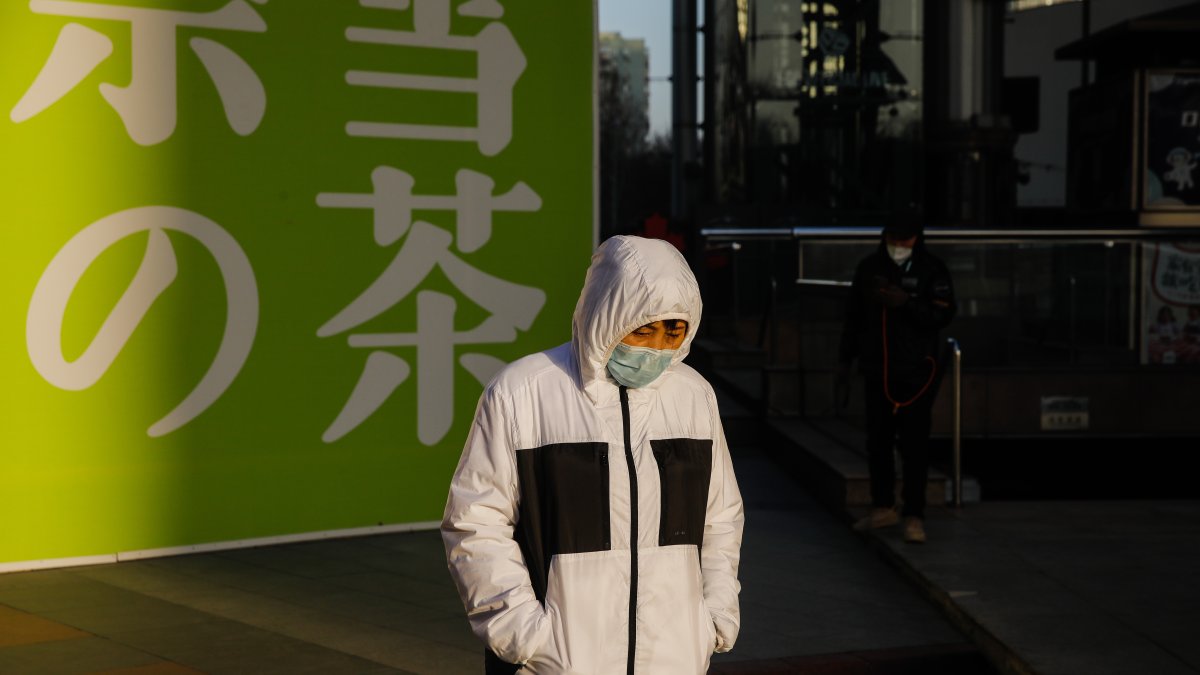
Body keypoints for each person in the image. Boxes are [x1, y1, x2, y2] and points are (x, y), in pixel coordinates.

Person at [442, 235, 744, 674]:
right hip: (555, 663)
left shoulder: (693, 397)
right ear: (607, 314)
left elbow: (720, 519)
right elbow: (475, 521)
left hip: (674, 658)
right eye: (643, 328)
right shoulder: (523, 392)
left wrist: (714, 616)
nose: (657, 347)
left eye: (673, 330)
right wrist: (523, 634)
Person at [838, 217, 956, 544]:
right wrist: (844, 361)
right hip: (877, 369)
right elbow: (853, 318)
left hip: (918, 372)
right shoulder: (870, 268)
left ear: (916, 239)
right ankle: (883, 506)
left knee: (915, 444)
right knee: (878, 441)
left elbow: (944, 313)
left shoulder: (932, 269)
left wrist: (907, 303)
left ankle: (914, 513)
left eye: (906, 240)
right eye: (894, 238)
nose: (899, 246)